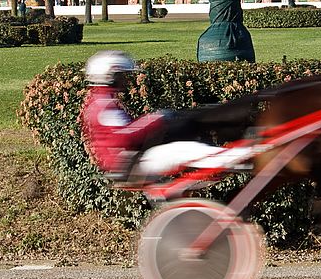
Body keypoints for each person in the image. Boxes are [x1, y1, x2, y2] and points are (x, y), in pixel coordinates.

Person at [80, 51, 239, 181]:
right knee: (184, 150)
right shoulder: (103, 105)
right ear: (109, 76)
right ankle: (235, 159)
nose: (126, 80)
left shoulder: (103, 101)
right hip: (131, 163)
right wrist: (155, 119)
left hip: (132, 159)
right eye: (121, 76)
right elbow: (123, 136)